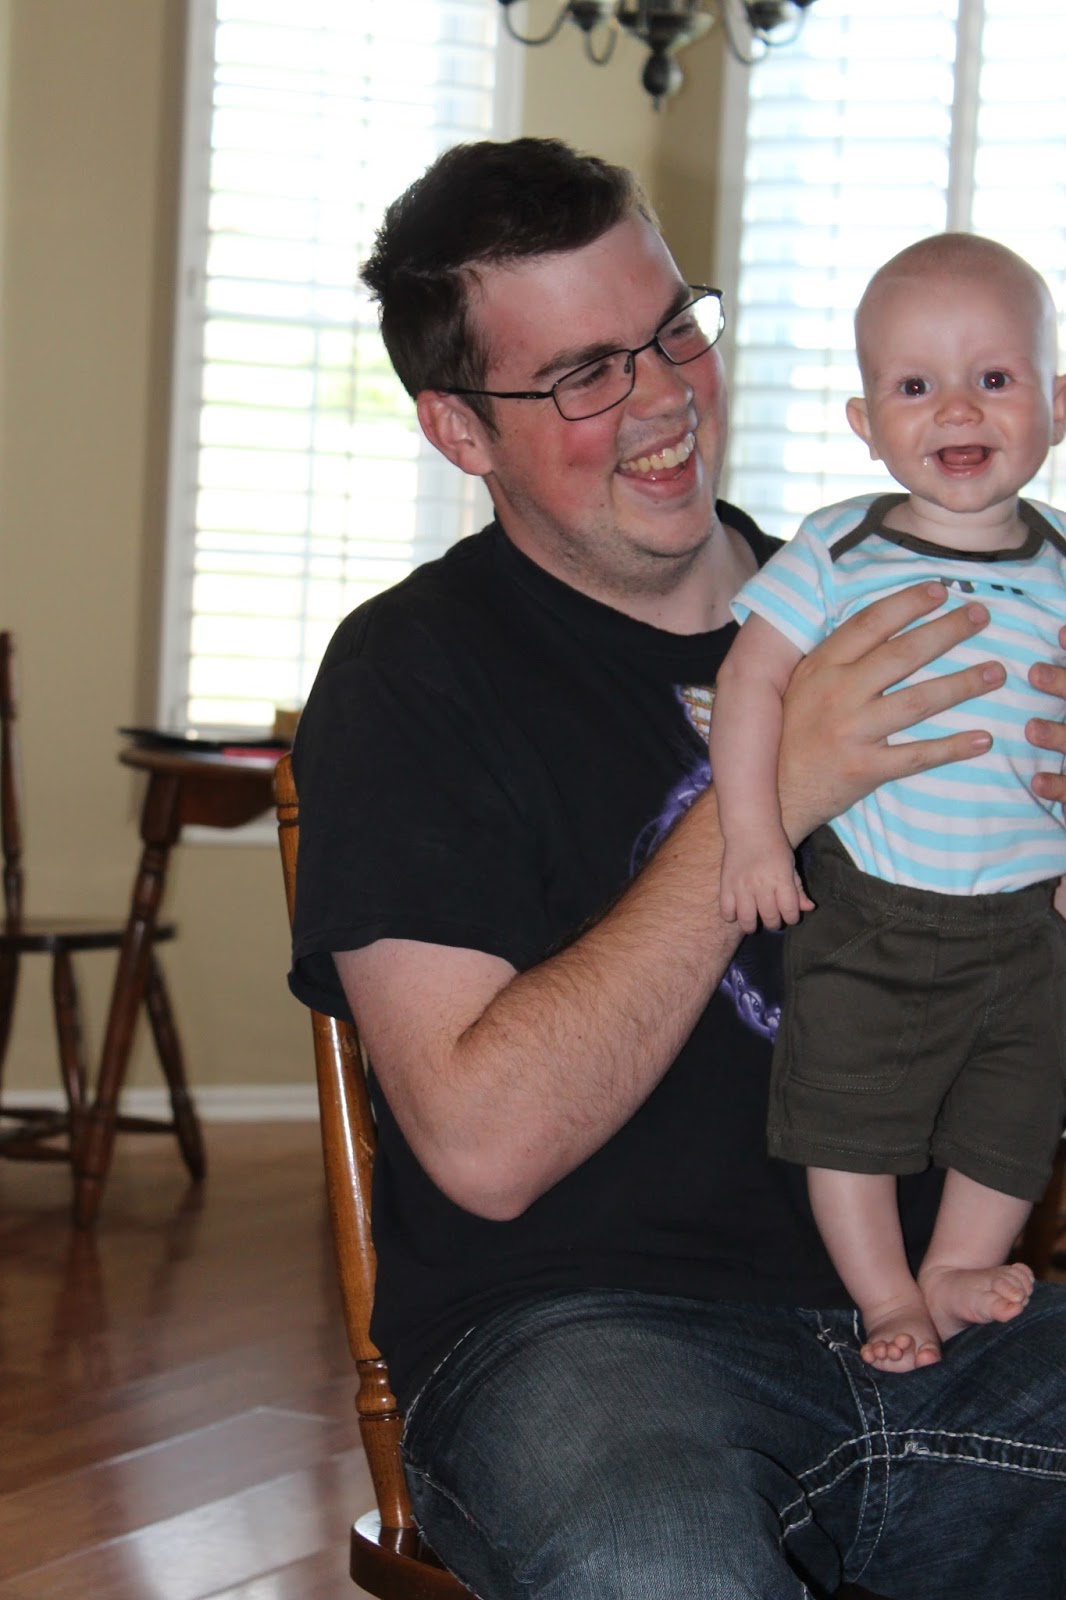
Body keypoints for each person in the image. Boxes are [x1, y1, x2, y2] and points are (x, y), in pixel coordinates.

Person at [288, 141, 1066, 1600]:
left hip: (947, 1318)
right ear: (458, 430)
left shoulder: (911, 605)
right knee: (662, 1566)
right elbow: (483, 1145)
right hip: (581, 1343)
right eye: (585, 373)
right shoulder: (412, 676)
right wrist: (775, 781)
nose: (662, 399)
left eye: (672, 330)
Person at [710, 234, 1066, 1374]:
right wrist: (754, 837)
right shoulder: (838, 546)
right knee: (845, 1108)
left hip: (1032, 919)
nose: (957, 408)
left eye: (994, 377)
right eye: (915, 386)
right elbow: (749, 684)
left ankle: (958, 1266)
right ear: (866, 423)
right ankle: (882, 1295)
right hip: (875, 904)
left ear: (1056, 405)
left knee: (1020, 1105)